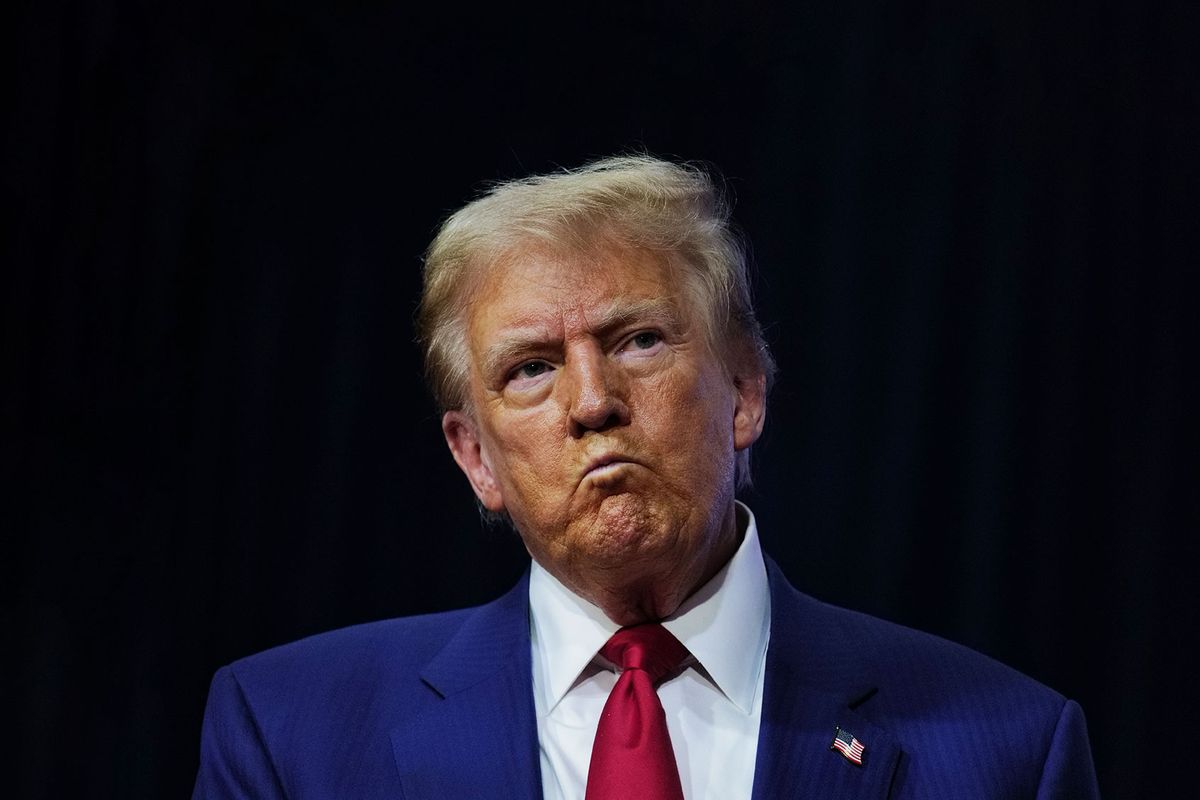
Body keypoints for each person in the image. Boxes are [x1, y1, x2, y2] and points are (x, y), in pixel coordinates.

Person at [192, 155, 1100, 799]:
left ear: (745, 391)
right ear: (476, 458)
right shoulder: (292, 737)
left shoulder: (1007, 750)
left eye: (638, 341)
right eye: (531, 368)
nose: (592, 400)